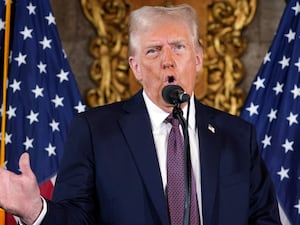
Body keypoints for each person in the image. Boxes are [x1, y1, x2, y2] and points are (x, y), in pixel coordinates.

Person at [0, 4, 281, 225]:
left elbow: (264, 219)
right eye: (153, 50)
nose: (167, 60)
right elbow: (76, 219)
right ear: (135, 68)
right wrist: (34, 209)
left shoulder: (238, 136)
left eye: (179, 47)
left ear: (198, 59)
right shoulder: (95, 131)